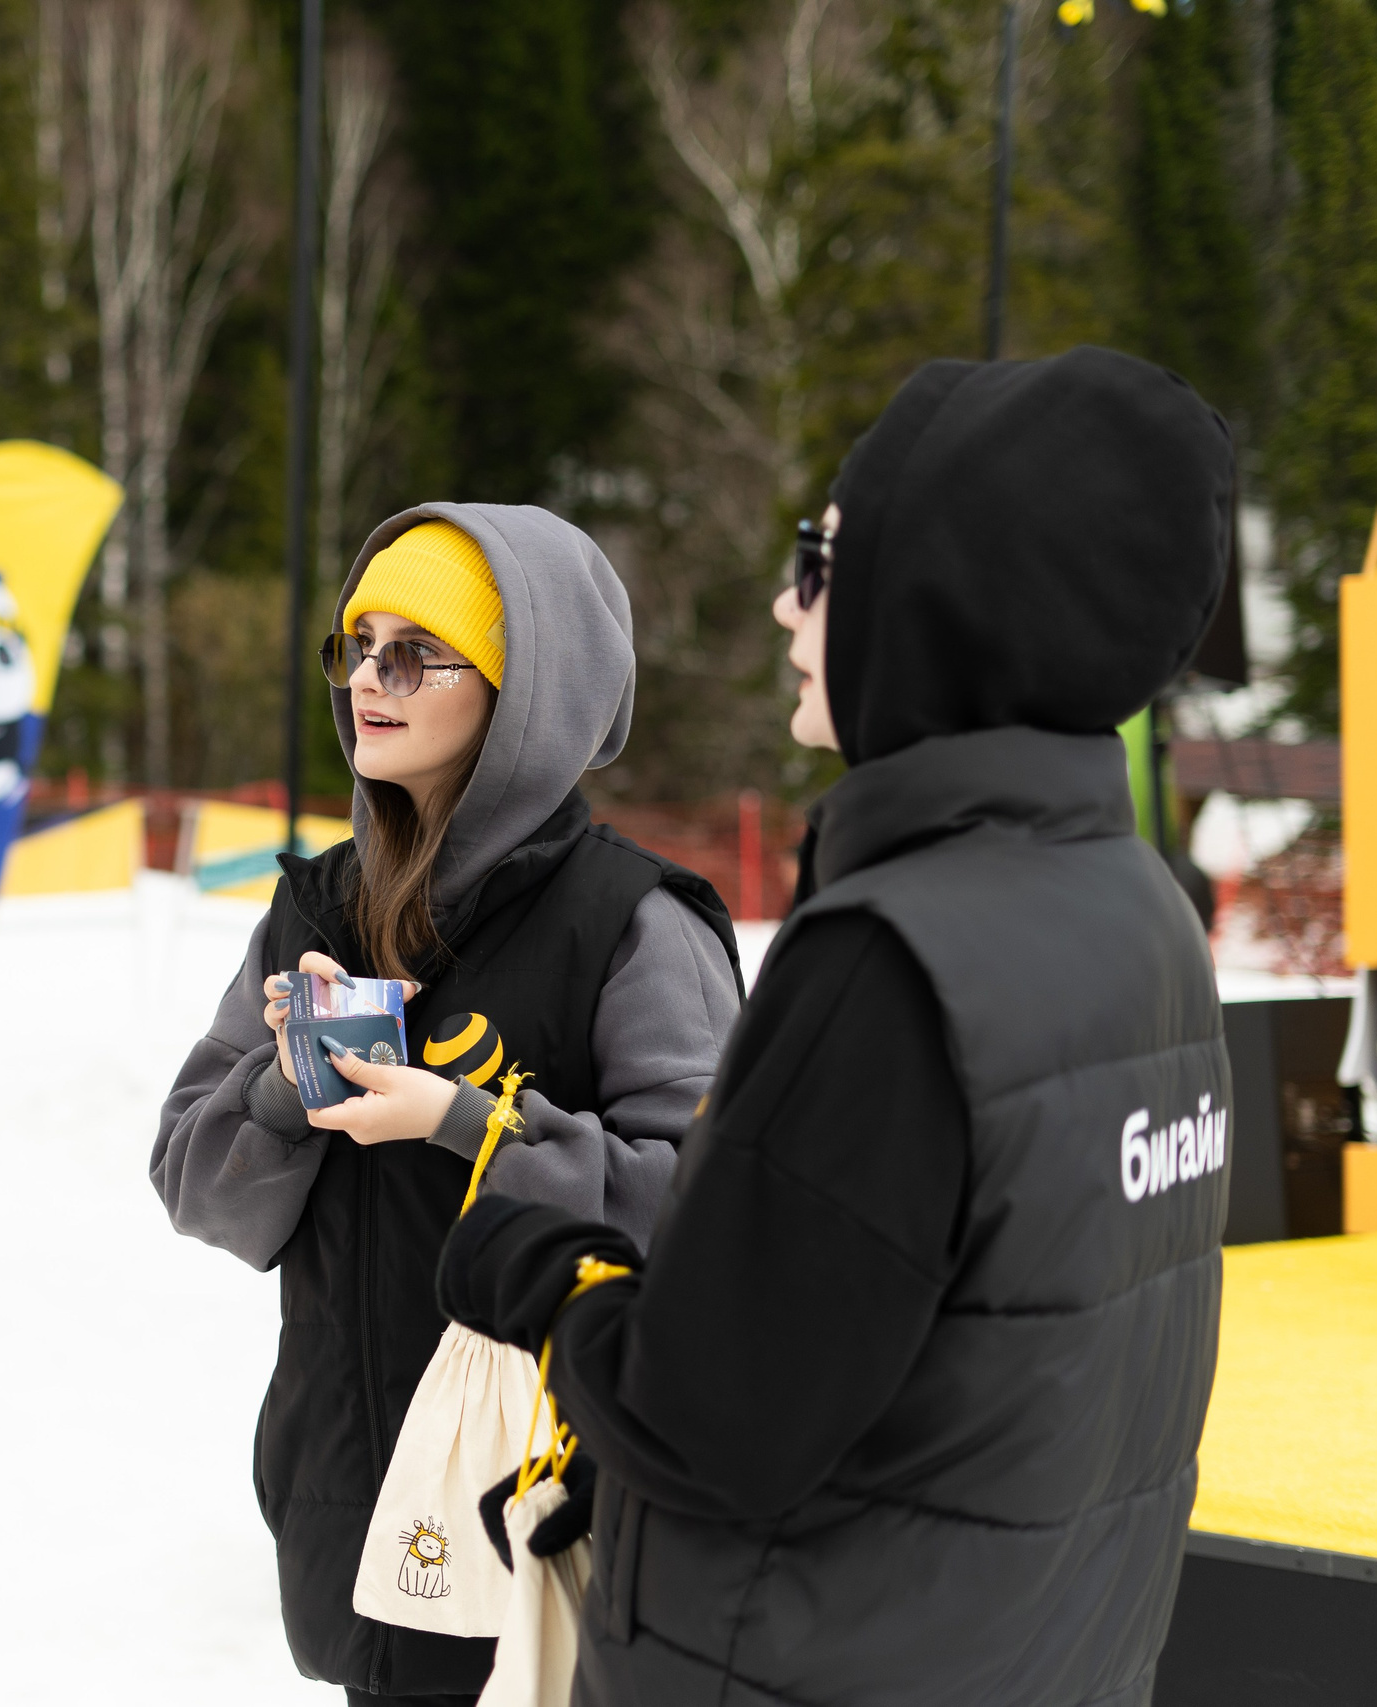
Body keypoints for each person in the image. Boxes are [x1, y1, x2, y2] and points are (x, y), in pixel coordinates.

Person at [437, 348, 1234, 1706]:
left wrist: (539, 1263)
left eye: (820, 556)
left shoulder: (896, 961)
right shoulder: (1140, 911)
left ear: (940, 592)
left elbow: (711, 1419)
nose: (784, 601)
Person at [153, 508, 744, 1705]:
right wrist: (285, 1084)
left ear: (524, 691)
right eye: (356, 644)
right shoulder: (312, 910)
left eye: (414, 651)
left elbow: (711, 1213)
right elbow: (195, 1186)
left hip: (555, 1520)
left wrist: (461, 1124)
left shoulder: (634, 923)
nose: (368, 678)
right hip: (352, 1502)